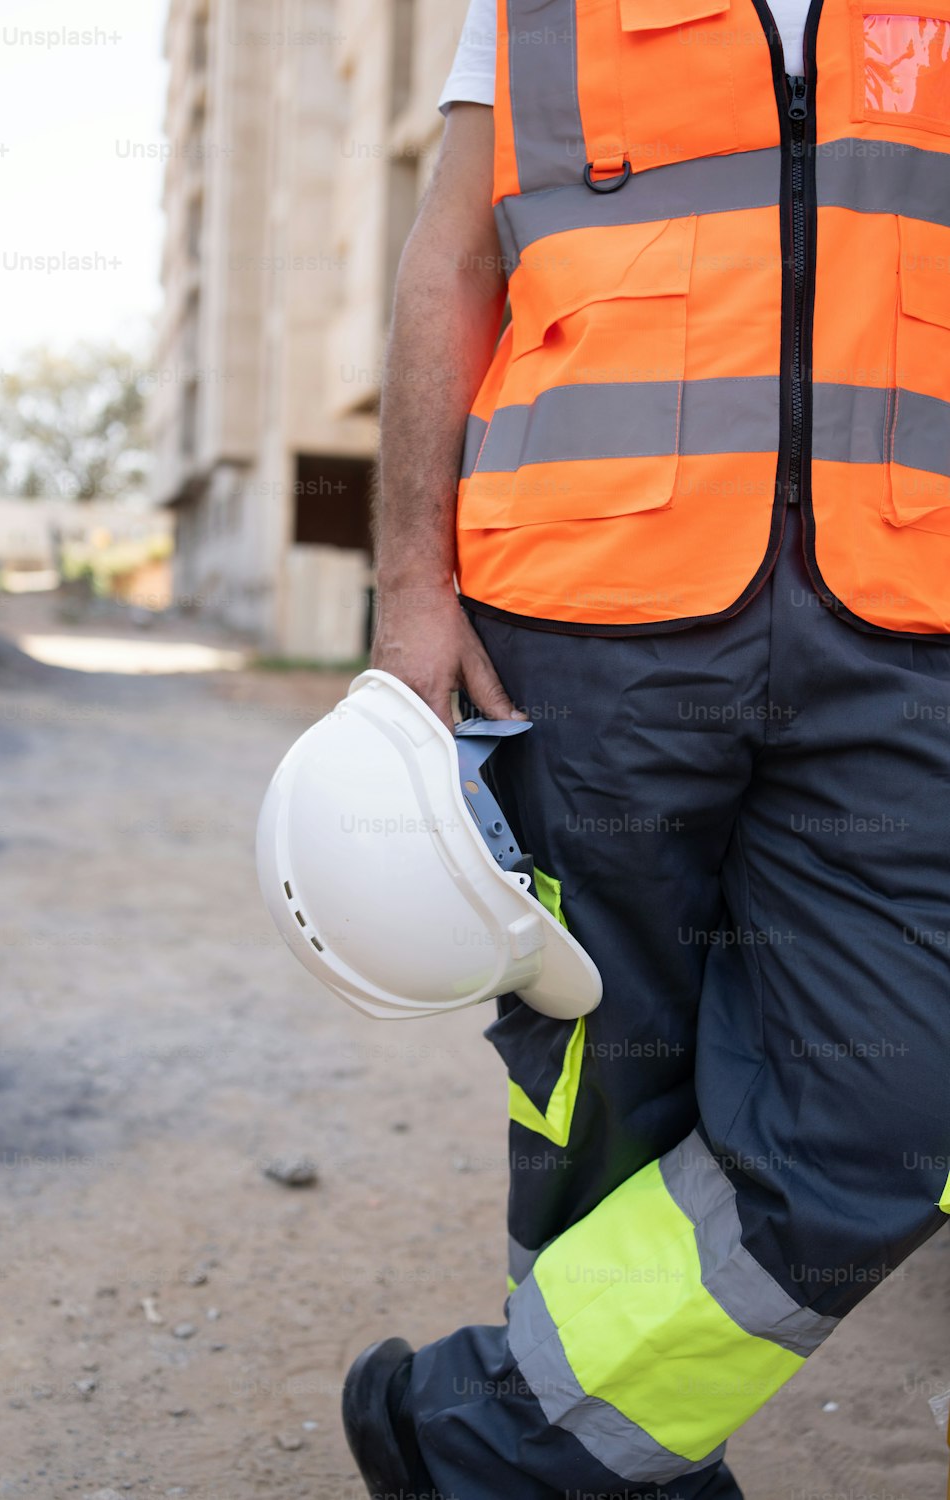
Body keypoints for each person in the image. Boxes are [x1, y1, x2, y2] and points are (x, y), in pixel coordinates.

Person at [343, 1, 950, 1496]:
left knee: (900, 1100)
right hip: (584, 613)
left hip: (906, 616)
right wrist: (413, 588)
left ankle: (494, 1438)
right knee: (608, 1090)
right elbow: (454, 262)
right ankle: (619, 1469)